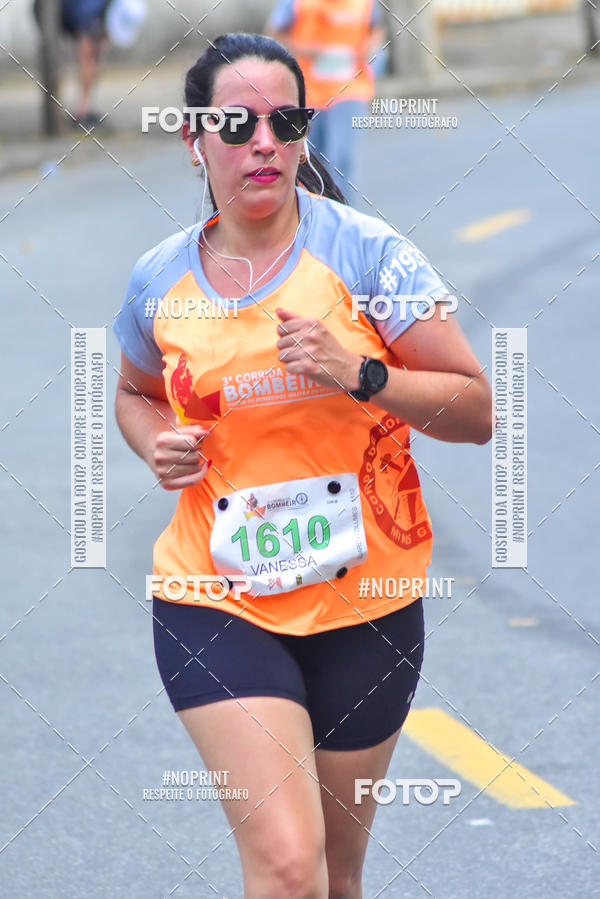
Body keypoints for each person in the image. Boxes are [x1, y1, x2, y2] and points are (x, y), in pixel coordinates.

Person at [113, 32, 492, 898]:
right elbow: (135, 395)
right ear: (193, 137)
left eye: (285, 121)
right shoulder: (157, 281)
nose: (264, 143)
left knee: (336, 871)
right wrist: (153, 443)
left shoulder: (371, 256)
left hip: (366, 599)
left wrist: (360, 373)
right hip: (216, 597)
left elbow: (475, 411)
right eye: (236, 123)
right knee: (288, 863)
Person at [266, 0, 386, 193]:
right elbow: (275, 36)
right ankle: (315, 215)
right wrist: (306, 50)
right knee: (311, 163)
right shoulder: (295, 3)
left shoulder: (365, 3)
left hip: (350, 90)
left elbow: (376, 31)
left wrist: (368, 49)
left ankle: (343, 216)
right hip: (307, 94)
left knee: (340, 158)